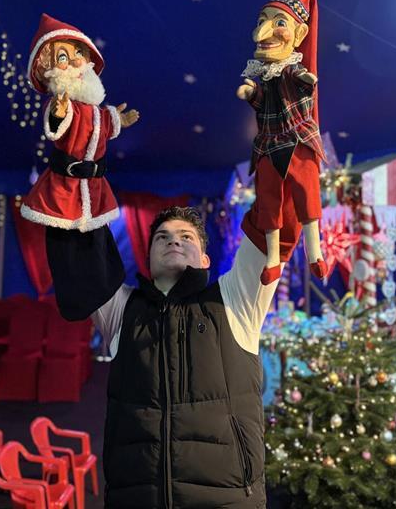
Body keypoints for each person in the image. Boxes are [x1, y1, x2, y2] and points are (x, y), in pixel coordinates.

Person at [45, 206, 278, 508]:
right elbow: (80, 249)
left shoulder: (234, 301)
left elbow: (268, 236)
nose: (174, 241)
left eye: (186, 236)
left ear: (205, 259)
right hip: (136, 496)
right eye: (161, 238)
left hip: (228, 498)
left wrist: (280, 168)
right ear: (149, 259)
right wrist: (77, 179)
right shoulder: (122, 309)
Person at [236, 0, 327, 285]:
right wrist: (253, 95)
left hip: (297, 138)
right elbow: (264, 104)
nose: (264, 30)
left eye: (277, 22)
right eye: (262, 21)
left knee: (307, 194)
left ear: (299, 34)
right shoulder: (265, 74)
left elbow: (303, 83)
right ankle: (272, 259)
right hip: (269, 143)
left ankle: (315, 253)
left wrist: (305, 79)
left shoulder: (291, 68)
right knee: (269, 200)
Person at [20, 13, 139, 232]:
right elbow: (56, 128)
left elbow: (102, 125)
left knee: (98, 248)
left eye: (78, 53)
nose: (76, 61)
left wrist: (117, 120)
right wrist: (59, 114)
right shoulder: (63, 104)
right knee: (67, 247)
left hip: (95, 191)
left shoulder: (95, 110)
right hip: (64, 192)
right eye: (63, 58)